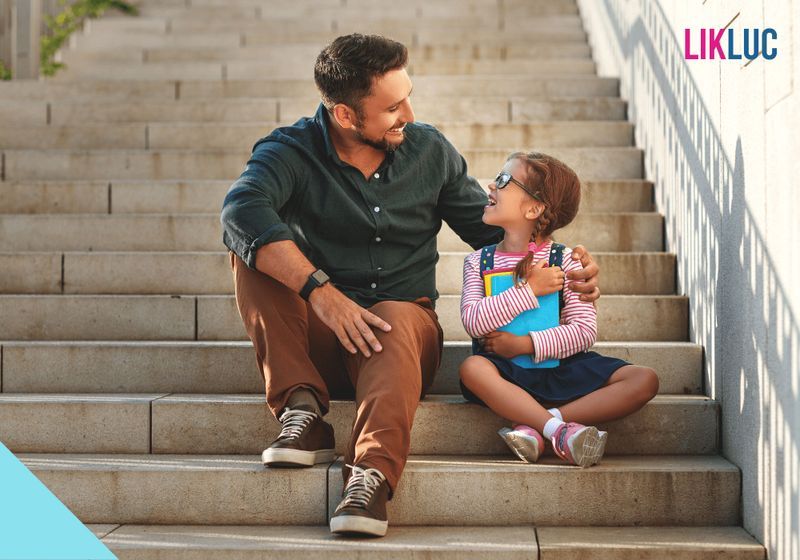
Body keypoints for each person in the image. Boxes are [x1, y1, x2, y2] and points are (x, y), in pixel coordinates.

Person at [220, 34, 602, 537]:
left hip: (399, 339)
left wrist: (565, 263)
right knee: (252, 251)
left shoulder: (428, 151)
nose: (410, 114)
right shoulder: (290, 151)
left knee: (399, 313)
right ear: (345, 116)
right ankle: (303, 413)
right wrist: (321, 293)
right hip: (318, 341)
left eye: (408, 96)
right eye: (393, 107)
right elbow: (240, 210)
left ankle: (370, 476)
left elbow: (497, 231)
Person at [459, 152, 660, 467]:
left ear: (534, 208)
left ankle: (541, 425)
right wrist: (529, 290)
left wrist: (525, 344)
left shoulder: (566, 260)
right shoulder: (477, 262)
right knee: (472, 369)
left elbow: (583, 332)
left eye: (503, 181)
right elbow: (473, 321)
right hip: (506, 375)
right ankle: (560, 430)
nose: (490, 186)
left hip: (560, 370)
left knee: (644, 379)